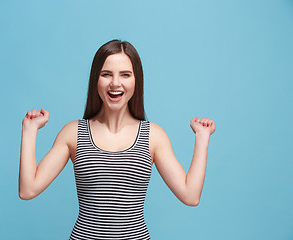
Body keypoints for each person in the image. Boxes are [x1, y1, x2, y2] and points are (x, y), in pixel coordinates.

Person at [19, 39, 216, 239]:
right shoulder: (74, 133)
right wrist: (29, 129)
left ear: (136, 80)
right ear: (96, 79)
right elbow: (28, 190)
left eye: (125, 75)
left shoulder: (153, 136)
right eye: (106, 74)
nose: (115, 83)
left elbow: (190, 196)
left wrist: (202, 137)